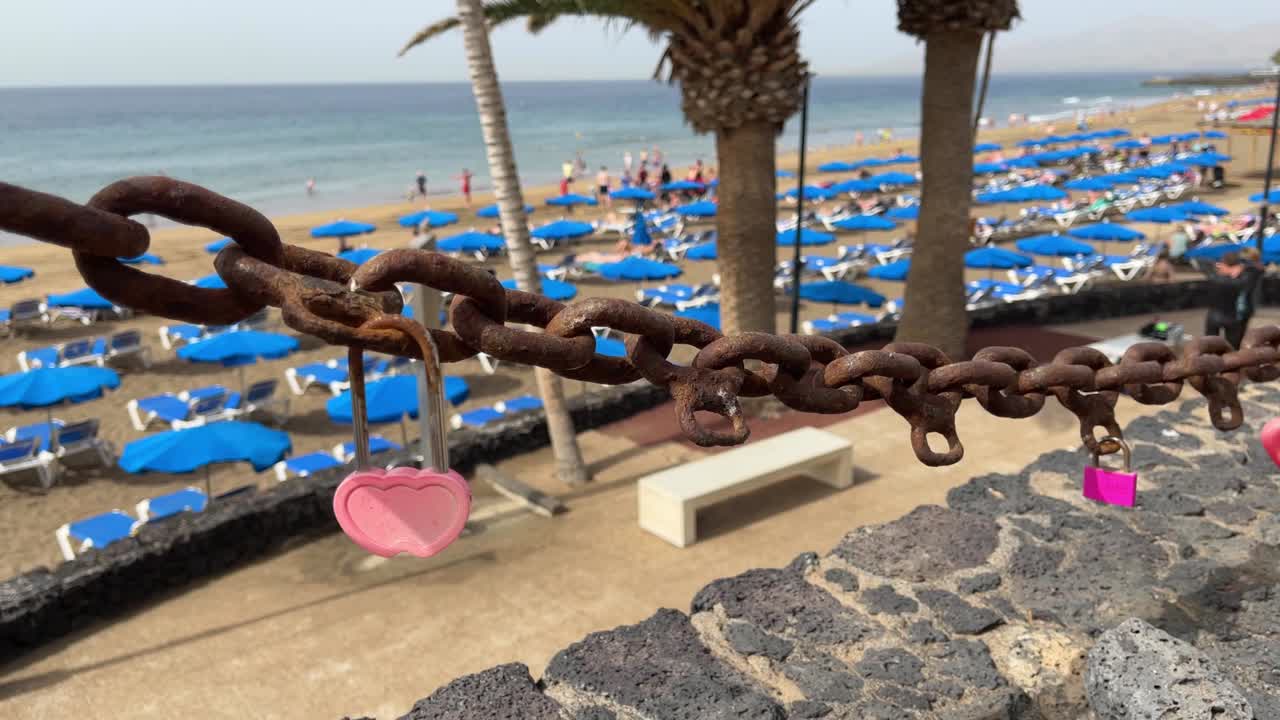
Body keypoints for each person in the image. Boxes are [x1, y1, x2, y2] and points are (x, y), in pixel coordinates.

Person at [1204, 250, 1263, 348]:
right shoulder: (1225, 276)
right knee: (1213, 343)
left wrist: (1239, 268)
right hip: (1222, 313)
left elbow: (1257, 270)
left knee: (1233, 344)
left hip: (1236, 315)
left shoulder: (1248, 275)